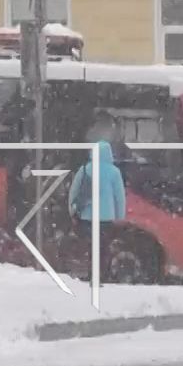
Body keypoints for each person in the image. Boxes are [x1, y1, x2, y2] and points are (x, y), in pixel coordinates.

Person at [68, 116, 128, 279]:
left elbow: (74, 191)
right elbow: (119, 196)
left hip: (87, 216)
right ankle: (102, 273)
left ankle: (91, 272)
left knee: (91, 246)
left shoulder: (86, 169)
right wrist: (120, 216)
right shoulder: (114, 172)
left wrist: (72, 210)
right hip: (106, 218)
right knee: (103, 247)